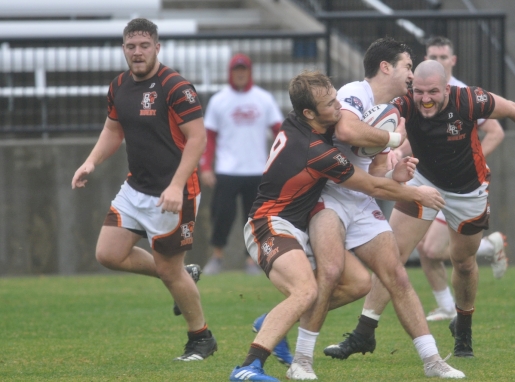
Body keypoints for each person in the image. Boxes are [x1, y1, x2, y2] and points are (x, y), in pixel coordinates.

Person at [229, 70, 449, 381]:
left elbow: (365, 157)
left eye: (336, 98)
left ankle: (273, 322)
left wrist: (387, 161)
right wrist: (416, 190)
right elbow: (372, 187)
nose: (338, 107)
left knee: (359, 283)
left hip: (294, 226)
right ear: (309, 113)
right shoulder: (316, 151)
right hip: (269, 224)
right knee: (305, 291)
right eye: (330, 104)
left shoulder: (300, 121)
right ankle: (247, 367)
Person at [324, 59, 515, 360]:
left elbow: (511, 109)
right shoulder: (404, 103)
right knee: (392, 254)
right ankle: (364, 333)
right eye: (419, 92)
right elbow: (381, 123)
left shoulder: (468, 99)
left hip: (468, 190)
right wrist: (386, 149)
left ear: (447, 88)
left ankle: (463, 332)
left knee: (464, 262)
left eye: (433, 92)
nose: (425, 99)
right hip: (423, 181)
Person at [284, 38, 465, 380]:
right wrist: (396, 143)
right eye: (408, 66)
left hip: (362, 201)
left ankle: (432, 361)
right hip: (329, 198)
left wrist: (396, 173)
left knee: (396, 275)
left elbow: (376, 172)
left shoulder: (393, 108)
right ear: (386, 67)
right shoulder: (356, 92)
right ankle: (301, 361)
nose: (412, 74)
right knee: (332, 272)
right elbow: (348, 129)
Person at [71, 18, 217, 361]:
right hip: (136, 188)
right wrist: (90, 162)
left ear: (157, 48)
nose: (137, 53)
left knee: (169, 271)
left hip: (175, 193)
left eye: (144, 46)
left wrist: (177, 186)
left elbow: (198, 139)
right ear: (124, 49)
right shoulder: (118, 86)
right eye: (131, 46)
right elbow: (113, 130)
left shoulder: (176, 86)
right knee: (108, 253)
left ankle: (201, 338)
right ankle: (186, 275)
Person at [397, 35, 509, 322]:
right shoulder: (422, 92)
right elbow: (418, 139)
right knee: (426, 249)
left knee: (436, 250)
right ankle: (449, 303)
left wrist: (469, 160)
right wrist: (396, 152)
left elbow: (495, 132)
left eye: (444, 56)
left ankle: (458, 301)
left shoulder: (461, 94)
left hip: (459, 186)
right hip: (430, 180)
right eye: (434, 55)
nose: (439, 59)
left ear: (453, 61)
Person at [199, 53, 284, 276]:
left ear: (249, 72)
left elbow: (279, 132)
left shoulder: (263, 99)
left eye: (243, 69)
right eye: (236, 70)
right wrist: (206, 167)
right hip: (227, 171)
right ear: (230, 72)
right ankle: (217, 257)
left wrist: (281, 162)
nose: (240, 74)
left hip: (257, 169)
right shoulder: (219, 100)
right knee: (222, 216)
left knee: (254, 219)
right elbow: (209, 138)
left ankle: (252, 260)